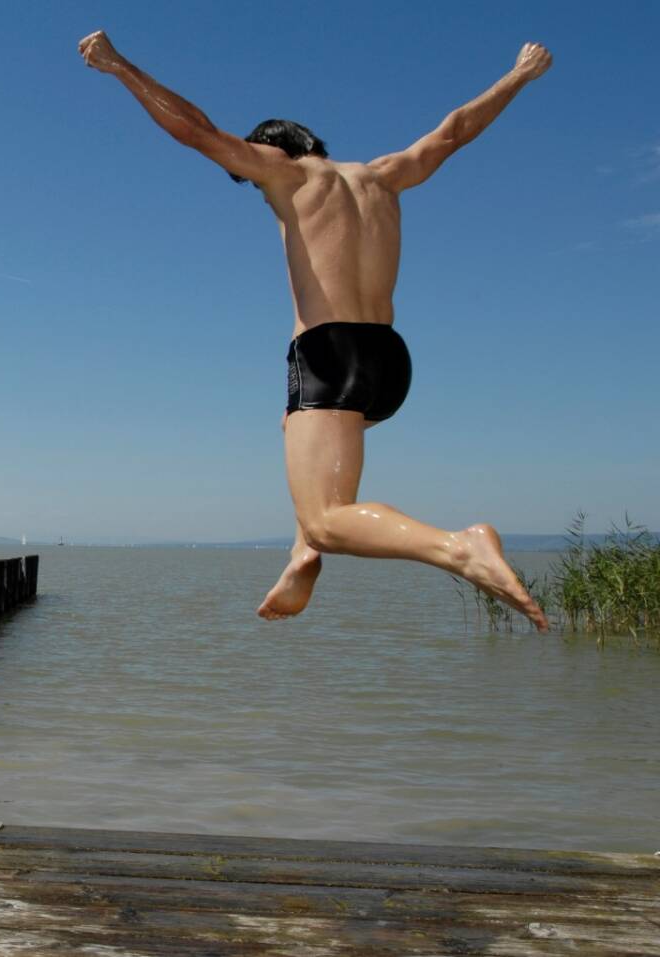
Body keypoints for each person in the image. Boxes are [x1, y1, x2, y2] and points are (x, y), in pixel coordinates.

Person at [78, 31, 552, 630]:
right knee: (295, 432)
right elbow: (453, 131)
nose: (255, 184)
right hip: (389, 365)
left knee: (330, 515)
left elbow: (196, 130)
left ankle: (460, 547)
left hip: (330, 354)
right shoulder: (384, 176)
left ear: (271, 149)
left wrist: (121, 68)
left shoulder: (287, 173)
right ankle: (303, 550)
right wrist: (518, 75)